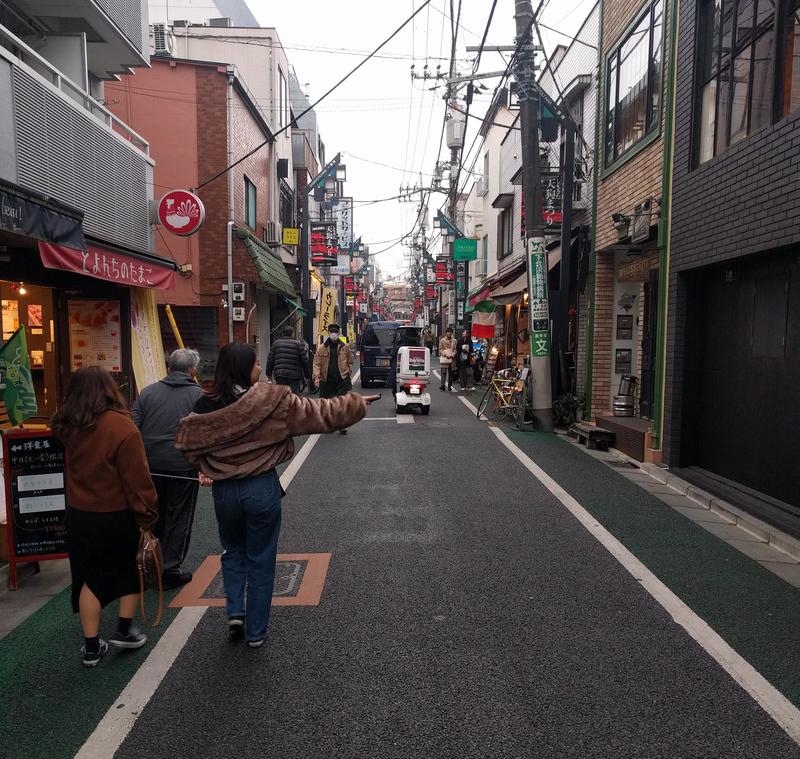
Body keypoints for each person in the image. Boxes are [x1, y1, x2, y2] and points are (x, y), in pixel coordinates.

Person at [175, 342, 378, 648]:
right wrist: (357, 404)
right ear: (244, 367)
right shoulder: (272, 401)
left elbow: (187, 442)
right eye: (256, 363)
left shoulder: (206, 404)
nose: (260, 368)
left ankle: (235, 613)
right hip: (260, 487)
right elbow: (320, 413)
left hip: (225, 491)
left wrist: (207, 466)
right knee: (261, 556)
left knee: (233, 550)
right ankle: (256, 631)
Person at [51, 366, 157, 667]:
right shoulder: (122, 428)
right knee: (129, 569)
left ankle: (91, 647)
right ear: (109, 390)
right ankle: (125, 627)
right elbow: (138, 481)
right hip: (116, 515)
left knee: (88, 577)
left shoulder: (66, 426)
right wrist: (147, 518)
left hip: (80, 515)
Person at [133, 348, 203, 589]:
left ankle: (148, 563)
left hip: (149, 464)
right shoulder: (198, 395)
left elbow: (134, 428)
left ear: (169, 368)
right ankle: (169, 569)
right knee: (179, 515)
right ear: (192, 370)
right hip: (182, 465)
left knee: (152, 513)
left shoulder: (147, 393)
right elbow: (205, 433)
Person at [312, 323, 354, 434]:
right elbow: (316, 364)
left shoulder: (345, 347)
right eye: (332, 332)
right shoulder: (322, 348)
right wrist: (316, 377)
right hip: (327, 379)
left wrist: (349, 370)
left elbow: (350, 360)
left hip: (342, 378)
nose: (334, 334)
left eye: (336, 332)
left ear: (339, 333)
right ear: (328, 333)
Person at [265, 326, 311, 393]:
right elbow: (304, 361)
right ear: (292, 333)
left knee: (281, 396)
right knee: (293, 397)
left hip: (280, 375)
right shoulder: (298, 344)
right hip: (294, 376)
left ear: (283, 333)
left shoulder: (276, 344)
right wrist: (307, 375)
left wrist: (268, 374)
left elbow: (270, 360)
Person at [438, 327, 456, 391]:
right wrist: (445, 354)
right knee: (443, 372)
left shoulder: (454, 340)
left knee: (451, 373)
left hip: (452, 359)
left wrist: (452, 355)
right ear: (446, 333)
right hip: (444, 358)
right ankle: (442, 386)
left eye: (450, 332)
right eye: (448, 332)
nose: (449, 333)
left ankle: (449, 386)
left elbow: (455, 349)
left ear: (452, 333)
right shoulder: (442, 340)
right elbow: (440, 349)